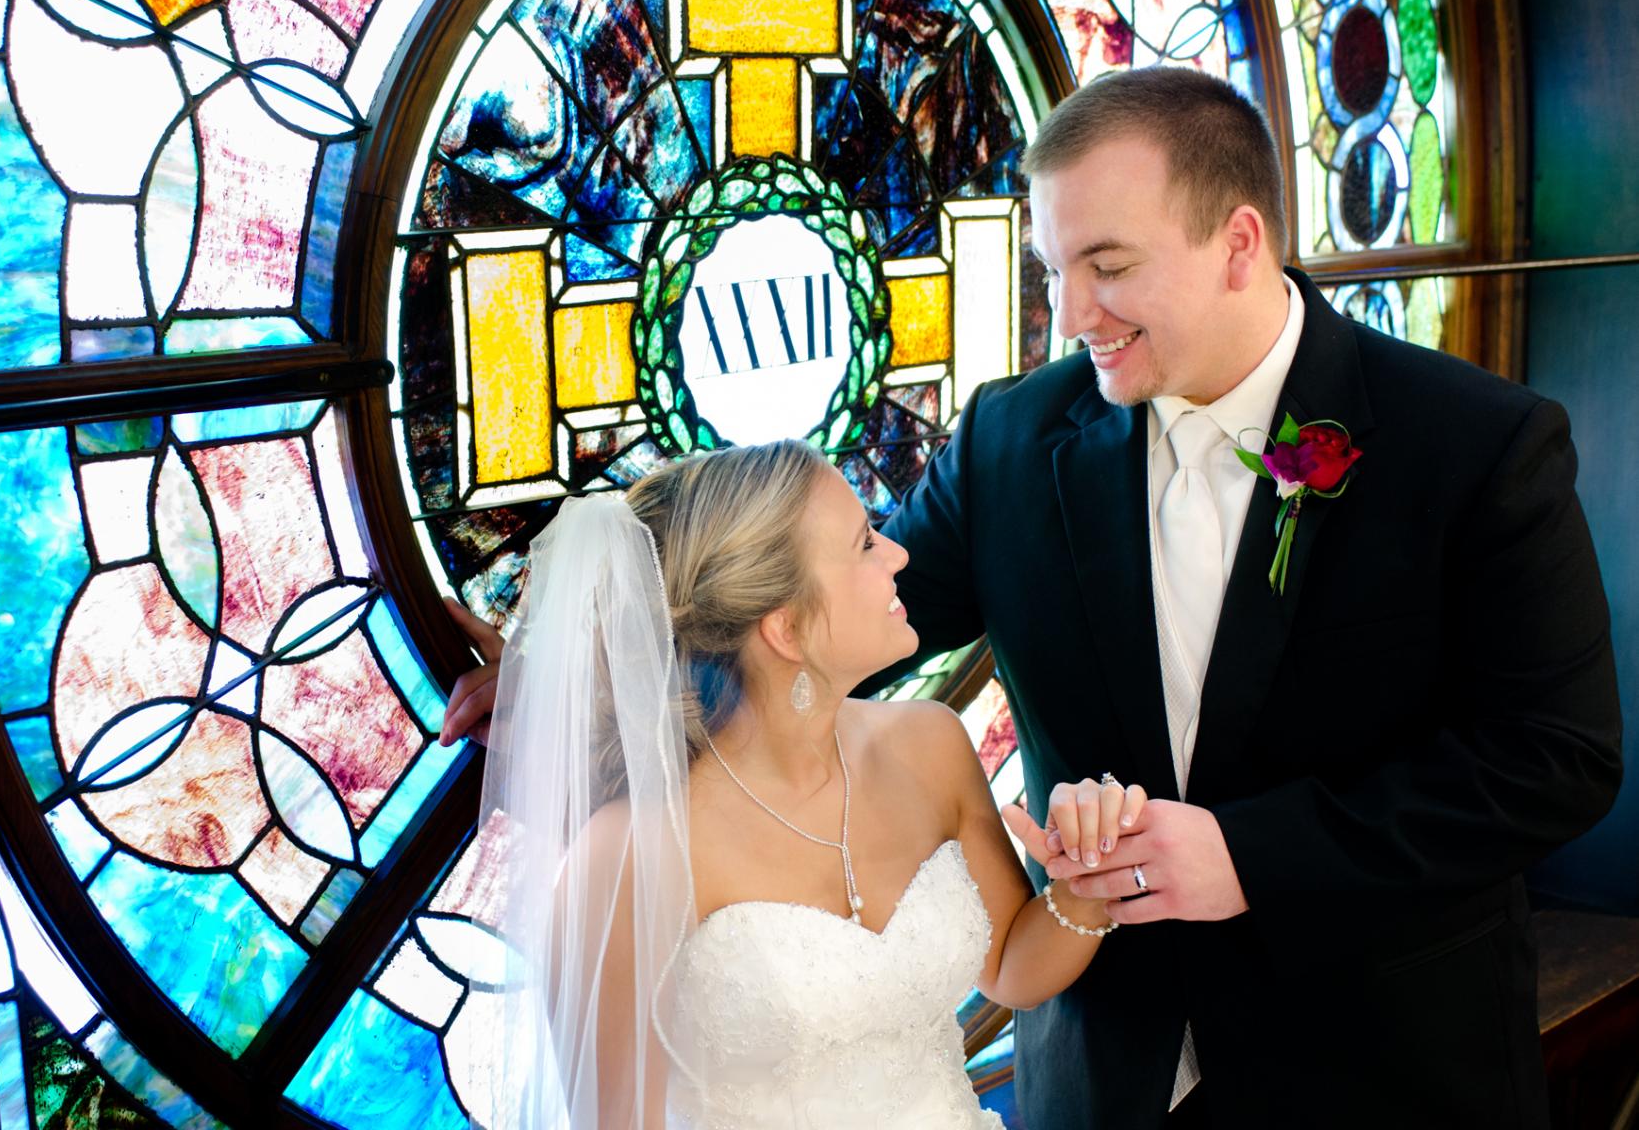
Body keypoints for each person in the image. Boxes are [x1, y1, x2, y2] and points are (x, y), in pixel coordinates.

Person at [862, 67, 1622, 1127]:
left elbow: (1555, 758)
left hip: (1385, 1078)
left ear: (1237, 242)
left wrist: (1251, 857)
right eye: (1050, 272)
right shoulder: (1006, 441)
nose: (1070, 313)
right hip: (1099, 1083)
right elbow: (841, 630)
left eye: (1107, 265)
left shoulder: (1473, 444)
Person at [461, 440, 1148, 1129]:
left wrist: (1086, 882)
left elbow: (1007, 968)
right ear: (785, 628)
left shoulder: (929, 743)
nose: (899, 556)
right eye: (864, 544)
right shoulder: (630, 853)